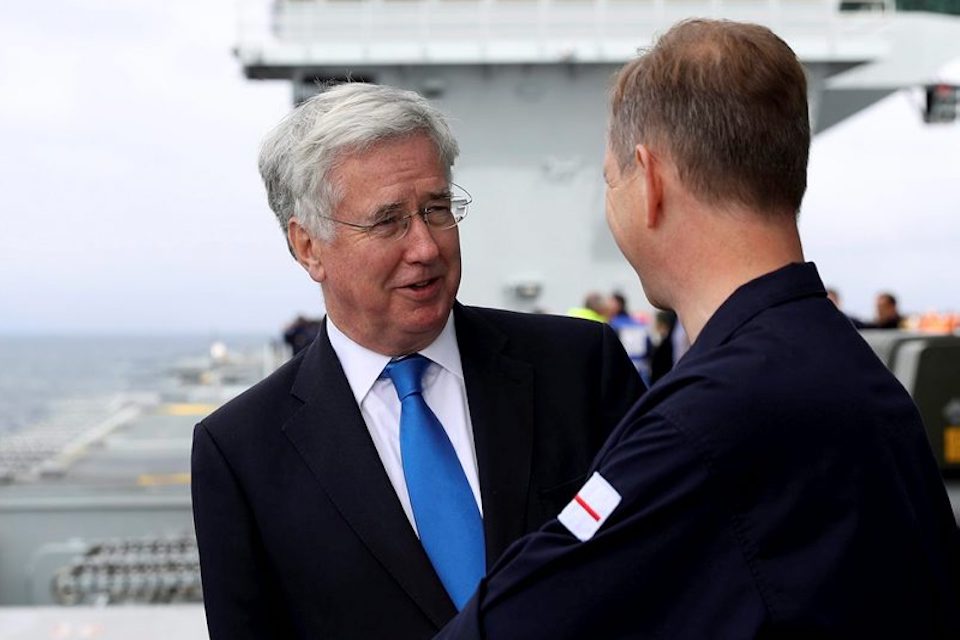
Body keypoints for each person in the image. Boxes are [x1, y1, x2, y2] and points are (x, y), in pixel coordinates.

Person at [436, 19, 960, 638]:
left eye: (611, 178)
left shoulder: (710, 420)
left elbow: (517, 623)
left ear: (649, 180)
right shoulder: (853, 376)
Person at [190, 82, 644, 640]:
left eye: (436, 209)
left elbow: (669, 570)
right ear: (308, 246)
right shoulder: (241, 453)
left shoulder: (578, 370)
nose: (426, 247)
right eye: (387, 221)